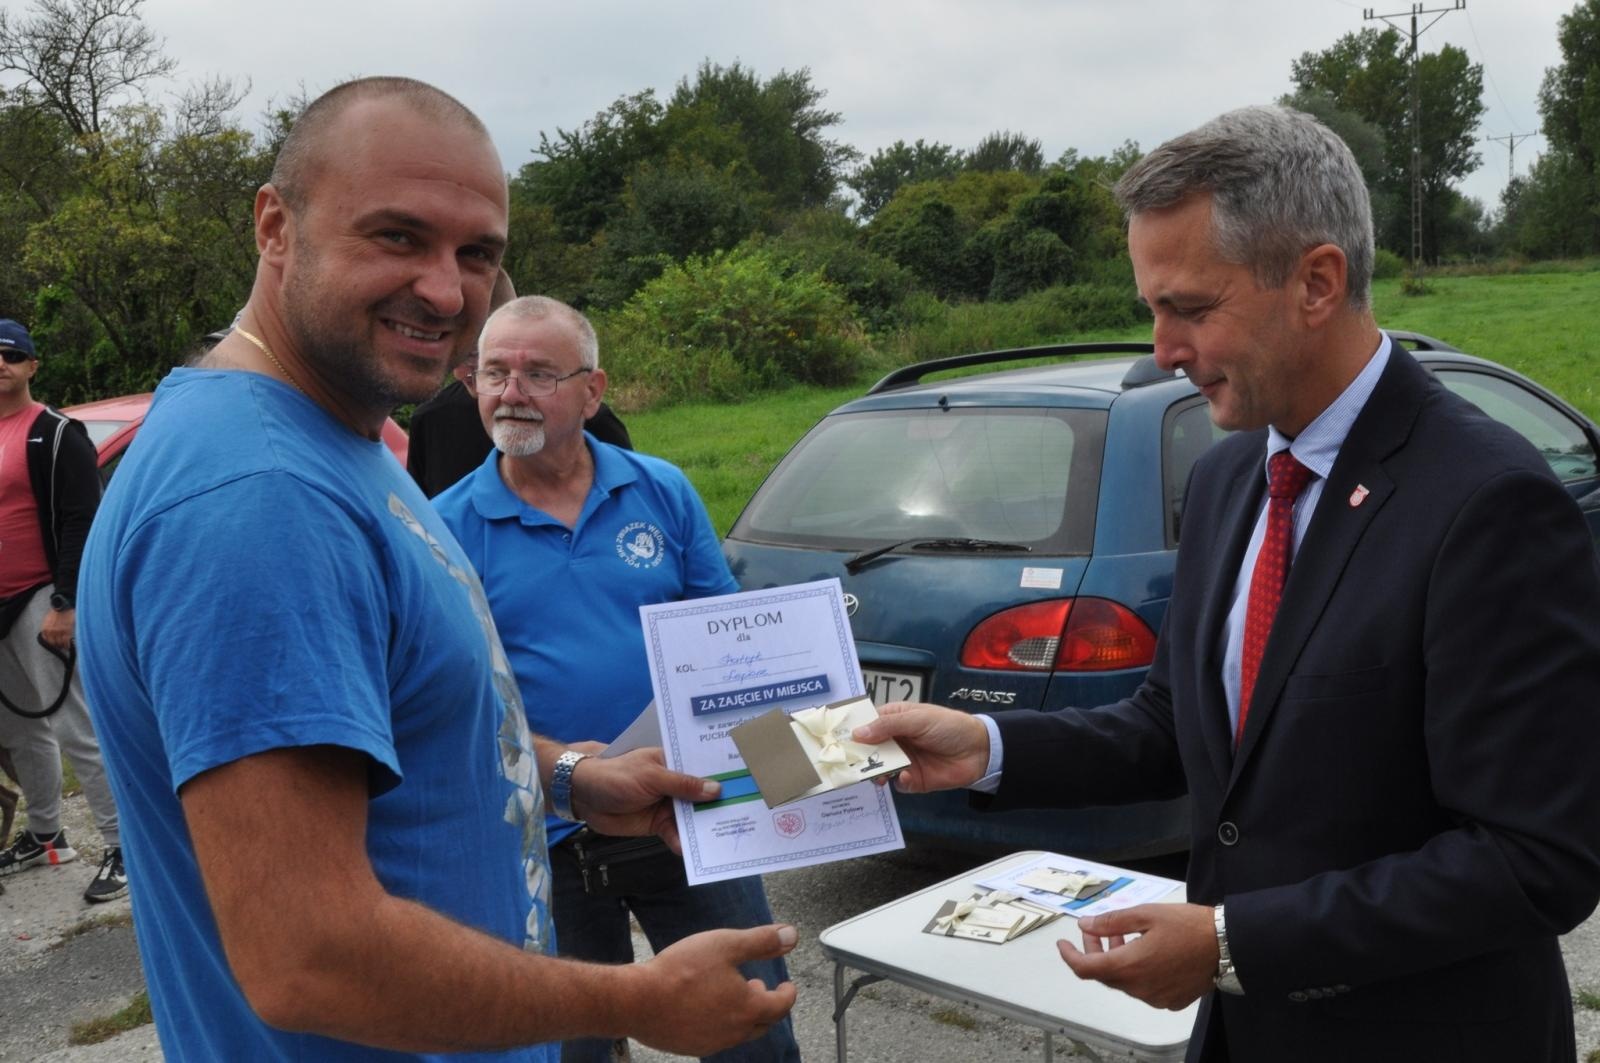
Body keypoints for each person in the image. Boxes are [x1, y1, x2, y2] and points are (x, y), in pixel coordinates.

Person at [853, 105, 1600, 1063]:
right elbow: (1179, 730)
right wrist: (988, 746)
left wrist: (1230, 943)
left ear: (1318, 282)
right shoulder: (1228, 478)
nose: (1162, 350)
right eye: (1153, 310)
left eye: (1192, 309)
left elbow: (1533, 859)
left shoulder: (1488, 500)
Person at [75, 76, 795, 1062]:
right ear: (275, 225)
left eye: (478, 254)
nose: (449, 292)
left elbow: (398, 724)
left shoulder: (342, 440)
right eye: (398, 237)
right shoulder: (261, 496)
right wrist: (631, 997)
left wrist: (576, 776)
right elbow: (309, 956)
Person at [434, 296, 801, 1063]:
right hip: (545, 839)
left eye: (539, 373)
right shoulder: (444, 527)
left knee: (754, 1031)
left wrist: (788, 773)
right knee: (573, 1051)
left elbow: (728, 641)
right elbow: (457, 707)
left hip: (685, 819)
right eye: (494, 372)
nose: (511, 393)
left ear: (593, 392)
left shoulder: (660, 490)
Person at [0, 317, 126, 904]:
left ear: (31, 366)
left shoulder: (56, 433)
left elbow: (83, 521)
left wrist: (66, 602)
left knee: (79, 729)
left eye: (10, 355)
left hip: (40, 599)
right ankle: (48, 835)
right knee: (22, 732)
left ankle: (124, 847)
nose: (0, 363)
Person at [406, 277, 631, 498]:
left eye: (476, 354)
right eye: (454, 353)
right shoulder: (432, 420)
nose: (460, 372)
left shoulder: (584, 418)